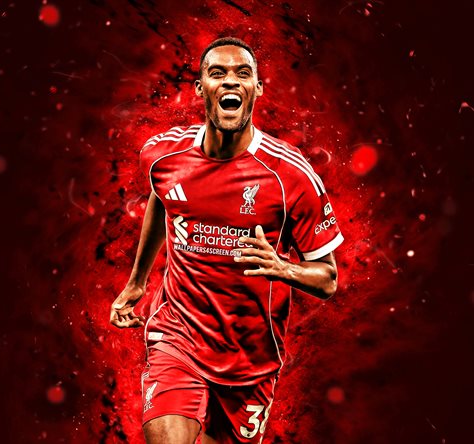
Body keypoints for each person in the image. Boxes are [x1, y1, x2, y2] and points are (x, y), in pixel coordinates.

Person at [110, 37, 344, 444]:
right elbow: (163, 198)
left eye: (243, 73)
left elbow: (328, 280)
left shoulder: (290, 176)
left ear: (258, 88)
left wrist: (283, 268)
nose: (231, 81)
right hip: (177, 336)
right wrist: (137, 282)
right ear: (200, 88)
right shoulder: (164, 155)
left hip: (250, 361)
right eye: (217, 73)